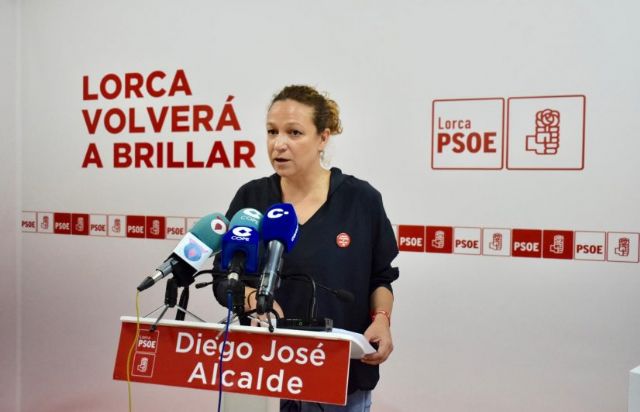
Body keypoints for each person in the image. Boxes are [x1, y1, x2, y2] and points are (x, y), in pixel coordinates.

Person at [213, 85, 399, 411]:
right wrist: (255, 301)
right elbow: (223, 277)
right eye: (272, 131)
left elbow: (381, 278)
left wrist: (382, 319)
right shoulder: (251, 199)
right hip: (264, 375)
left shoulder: (361, 200)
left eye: (294, 132)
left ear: (323, 138)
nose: (278, 144)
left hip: (339, 379)